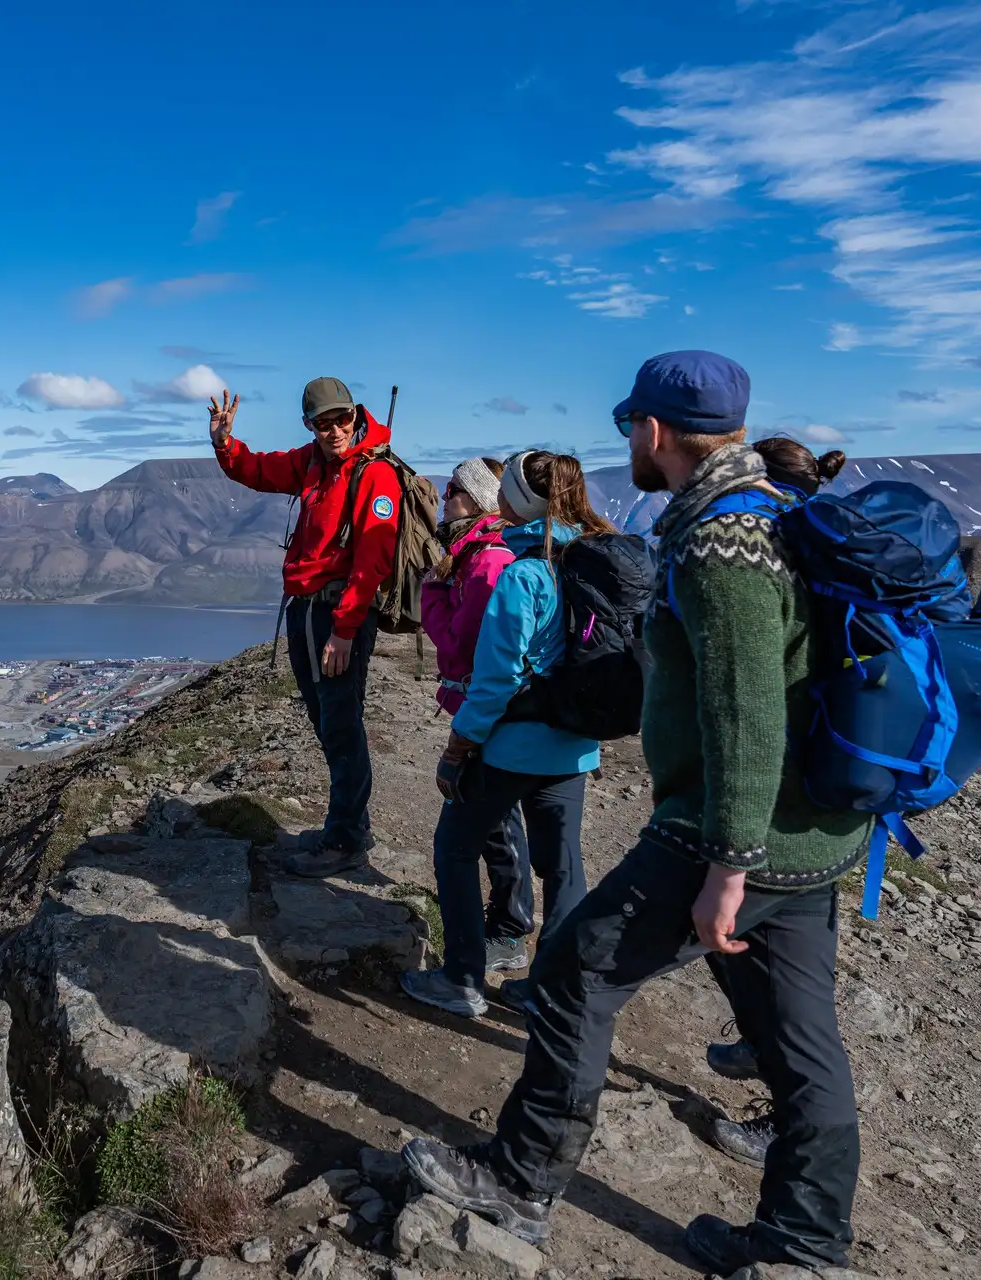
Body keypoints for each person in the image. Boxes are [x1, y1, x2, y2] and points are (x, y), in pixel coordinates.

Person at [402, 351, 873, 1275]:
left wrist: (728, 867)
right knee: (799, 1037)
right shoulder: (777, 513)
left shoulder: (721, 544)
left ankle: (521, 1183)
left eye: (631, 429)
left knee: (576, 974)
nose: (628, 445)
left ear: (656, 433)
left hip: (729, 832)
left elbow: (745, 712)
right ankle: (807, 1239)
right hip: (816, 829)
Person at [401, 450, 616, 1019]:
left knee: (454, 847)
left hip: (514, 744)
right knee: (563, 866)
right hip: (574, 744)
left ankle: (463, 978)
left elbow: (496, 679)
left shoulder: (525, 574)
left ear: (517, 501)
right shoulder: (590, 561)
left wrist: (458, 746)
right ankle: (551, 990)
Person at [701, 434, 851, 1167]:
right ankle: (809, 1213)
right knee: (797, 1002)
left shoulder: (763, 550)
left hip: (779, 817)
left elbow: (753, 711)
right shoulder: (822, 552)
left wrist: (731, 850)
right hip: (832, 805)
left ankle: (785, 1128)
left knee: (596, 967)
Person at [208, 380, 402, 877]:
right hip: (307, 609)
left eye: (341, 419)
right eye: (322, 422)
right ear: (309, 425)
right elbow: (256, 470)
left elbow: (372, 561)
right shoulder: (311, 462)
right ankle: (349, 825)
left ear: (355, 415)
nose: (334, 430)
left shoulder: (374, 473)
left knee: (340, 723)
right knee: (327, 720)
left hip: (336, 616)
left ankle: (345, 840)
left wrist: (343, 630)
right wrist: (225, 443)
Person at [418, 457, 533, 975]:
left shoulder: (486, 564)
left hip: (487, 711)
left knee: (493, 824)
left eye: (453, 491)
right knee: (494, 822)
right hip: (483, 708)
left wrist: (432, 592)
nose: (445, 500)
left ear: (480, 500)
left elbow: (459, 643)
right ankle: (507, 925)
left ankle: (507, 931)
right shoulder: (475, 556)